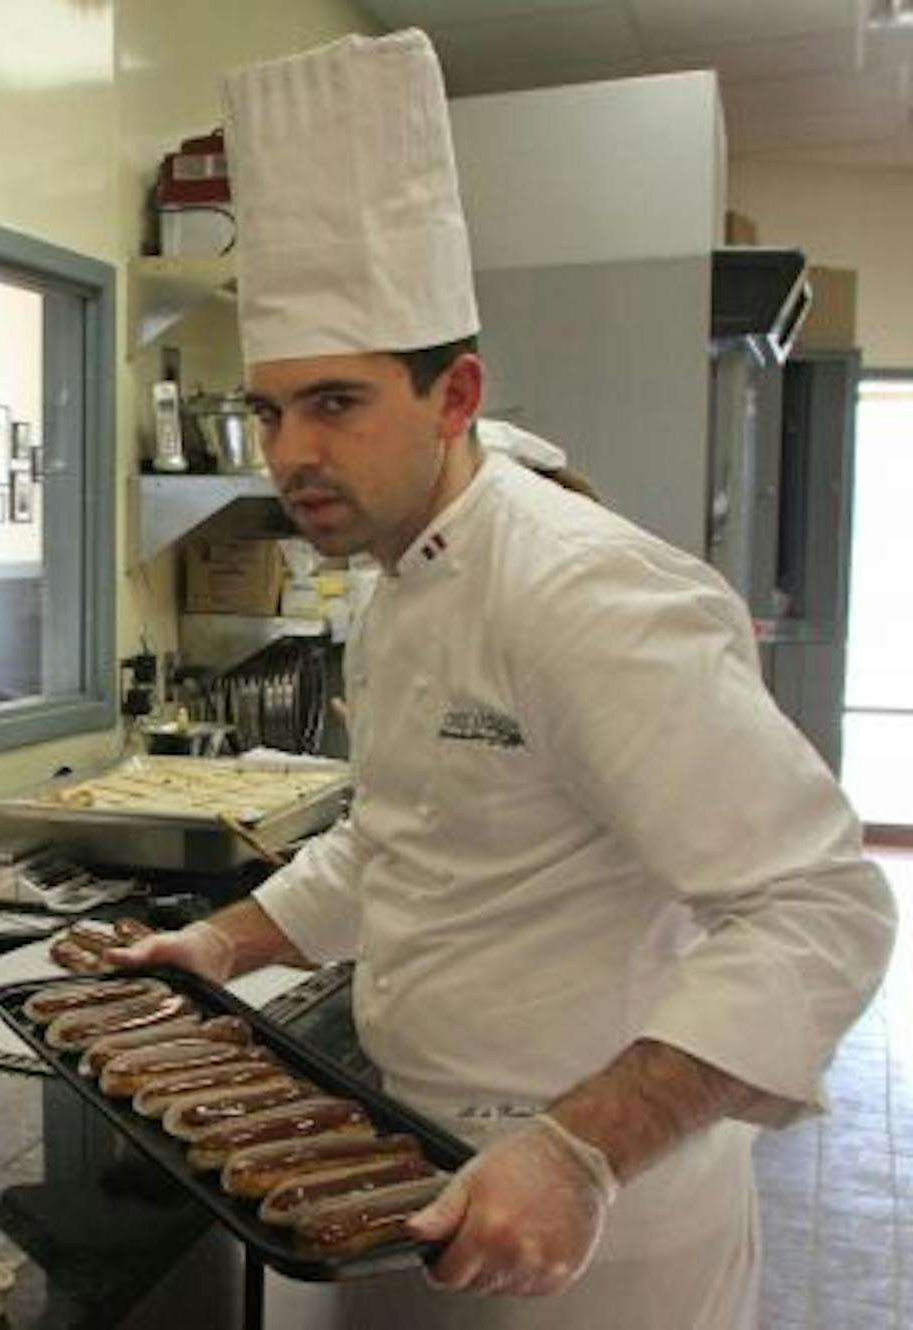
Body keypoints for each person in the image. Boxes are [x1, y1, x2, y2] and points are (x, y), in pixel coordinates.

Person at [108, 31, 894, 1329]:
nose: (291, 452)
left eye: (339, 404)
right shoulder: (393, 572)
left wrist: (579, 1149)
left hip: (603, 1230)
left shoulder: (585, 595)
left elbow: (821, 908)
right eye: (270, 409)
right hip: (415, 1172)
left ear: (454, 392)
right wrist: (220, 943)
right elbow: (407, 837)